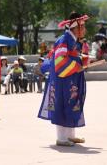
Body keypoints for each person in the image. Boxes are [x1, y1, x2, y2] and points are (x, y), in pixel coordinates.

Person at [38, 12, 89, 146]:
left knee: (72, 103)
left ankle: (70, 136)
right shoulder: (64, 40)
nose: (84, 29)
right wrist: (76, 66)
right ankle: (61, 138)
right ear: (75, 27)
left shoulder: (74, 41)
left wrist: (82, 61)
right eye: (82, 27)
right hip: (62, 79)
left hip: (71, 78)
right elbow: (60, 61)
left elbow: (73, 57)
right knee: (62, 103)